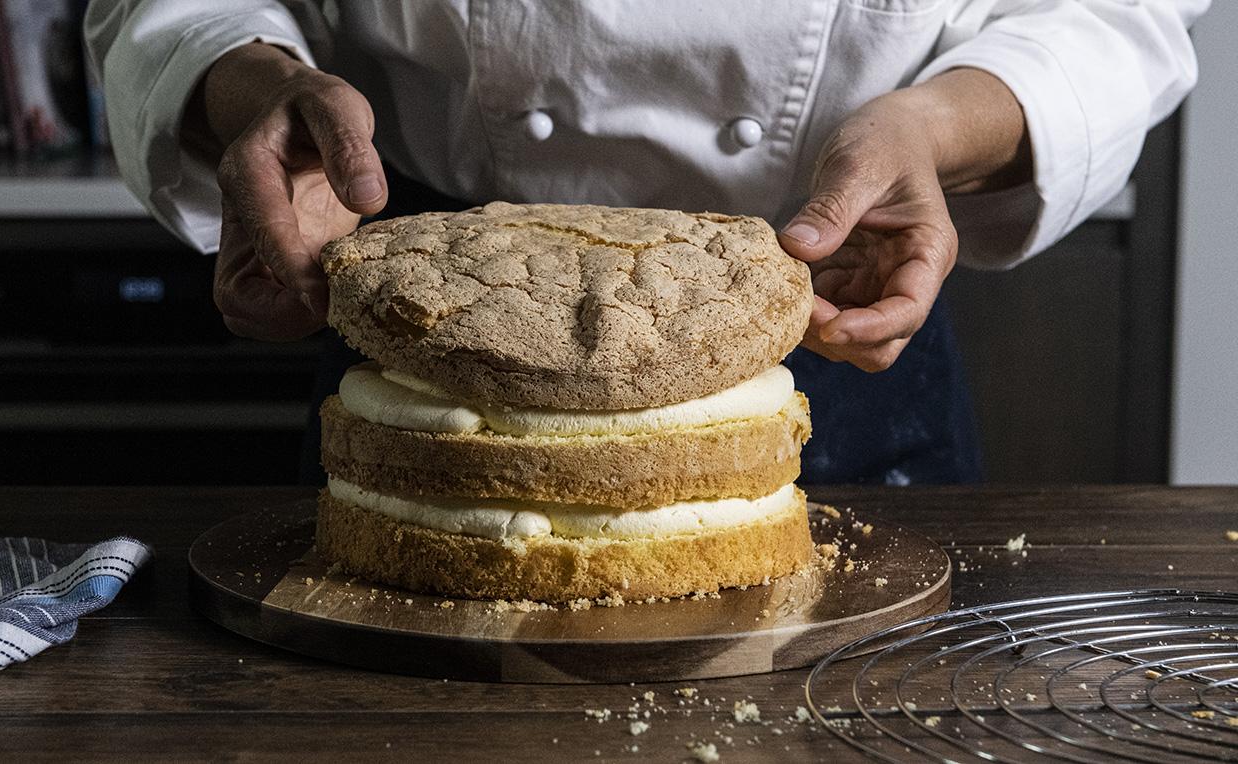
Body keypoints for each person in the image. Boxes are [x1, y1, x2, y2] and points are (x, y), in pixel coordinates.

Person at [83, 0, 1207, 486]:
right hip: (430, 334)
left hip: (825, 307)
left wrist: (935, 124)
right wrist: (255, 85)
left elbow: (1120, 17)